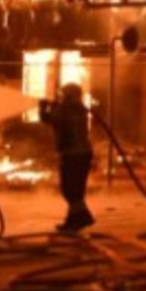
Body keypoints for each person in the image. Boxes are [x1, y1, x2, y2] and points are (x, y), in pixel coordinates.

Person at [38, 83, 94, 233]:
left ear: (68, 96)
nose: (61, 97)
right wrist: (55, 106)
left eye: (63, 95)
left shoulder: (65, 109)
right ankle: (73, 221)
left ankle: (83, 216)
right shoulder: (80, 109)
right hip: (83, 154)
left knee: (69, 189)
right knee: (76, 190)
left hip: (72, 154)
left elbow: (46, 118)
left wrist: (42, 106)